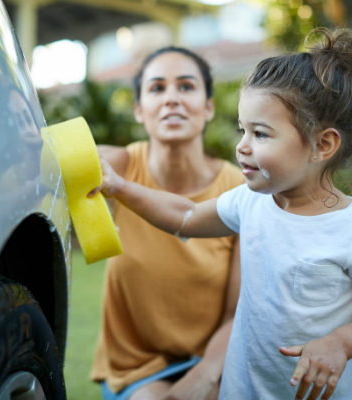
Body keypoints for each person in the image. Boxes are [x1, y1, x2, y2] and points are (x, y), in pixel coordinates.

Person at [94, 28, 352, 400]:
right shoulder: (251, 202)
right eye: (242, 130)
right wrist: (121, 187)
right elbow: (185, 215)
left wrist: (341, 343)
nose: (241, 147)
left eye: (260, 134)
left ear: (322, 144)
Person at [90, 47, 244, 400]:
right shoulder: (119, 168)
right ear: (139, 110)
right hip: (138, 368)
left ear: (208, 107)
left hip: (218, 360)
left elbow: (238, 313)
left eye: (186, 87)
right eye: (157, 88)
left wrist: (205, 375)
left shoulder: (239, 192)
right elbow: (46, 159)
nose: (172, 98)